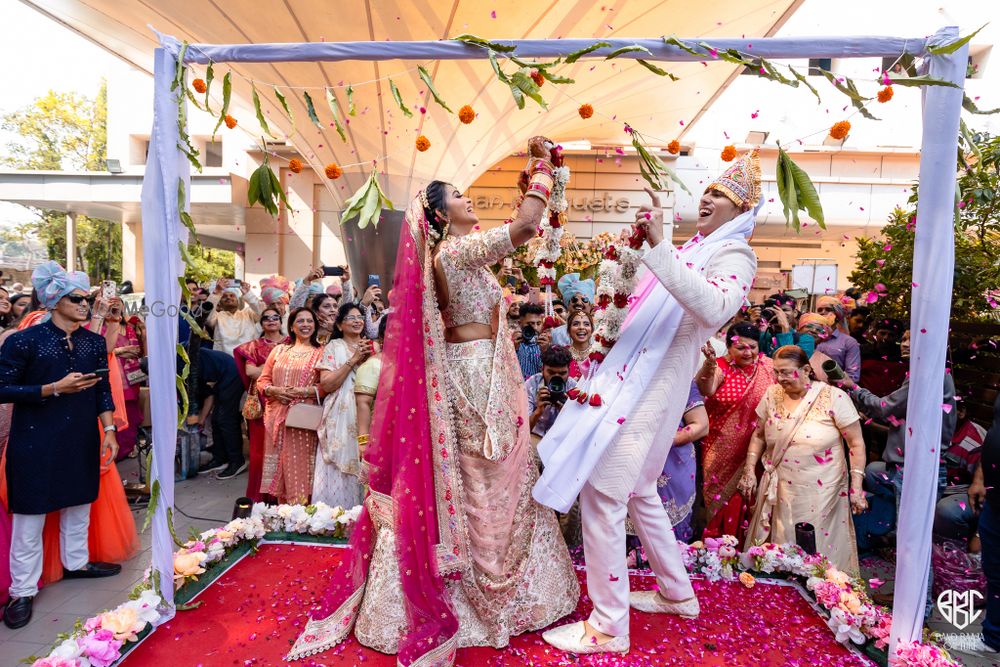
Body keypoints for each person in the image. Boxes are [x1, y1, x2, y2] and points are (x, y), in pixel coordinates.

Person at [289, 137, 578, 663]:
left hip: (485, 370)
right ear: (442, 215)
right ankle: (482, 596)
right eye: (460, 196)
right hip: (476, 378)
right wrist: (539, 171)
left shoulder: (459, 256)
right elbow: (525, 229)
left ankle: (492, 591)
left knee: (487, 478)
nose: (470, 200)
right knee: (485, 476)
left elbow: (532, 241)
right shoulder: (459, 250)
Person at [536, 150, 760, 654]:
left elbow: (713, 306)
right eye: (705, 190)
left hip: (652, 391)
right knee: (639, 491)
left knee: (604, 494)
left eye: (718, 195)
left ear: (742, 211)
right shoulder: (699, 248)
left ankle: (609, 626)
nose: (705, 198)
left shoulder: (736, 256)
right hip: (642, 383)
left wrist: (660, 247)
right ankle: (678, 593)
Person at [0, 262, 121, 629]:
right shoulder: (24, 341)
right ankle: (22, 590)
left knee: (79, 503)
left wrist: (110, 430)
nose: (86, 305)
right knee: (30, 516)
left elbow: (102, 389)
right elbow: (3, 388)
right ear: (55, 301)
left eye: (87, 299)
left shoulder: (93, 341)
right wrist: (53, 389)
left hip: (82, 436)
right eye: (77, 299)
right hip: (34, 438)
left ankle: (77, 562)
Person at [741, 346, 867, 575]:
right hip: (779, 487)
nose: (780, 378)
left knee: (815, 549)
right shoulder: (772, 394)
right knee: (778, 546)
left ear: (806, 369)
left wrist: (857, 487)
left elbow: (856, 444)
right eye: (777, 372)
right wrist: (749, 469)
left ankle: (823, 592)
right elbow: (758, 435)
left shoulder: (833, 397)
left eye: (786, 372)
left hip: (821, 491)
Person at [695, 321, 775, 540]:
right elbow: (706, 389)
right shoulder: (720, 366)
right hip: (721, 448)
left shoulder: (768, 367)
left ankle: (750, 547)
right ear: (729, 348)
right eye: (741, 348)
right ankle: (717, 548)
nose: (748, 352)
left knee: (751, 497)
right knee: (720, 499)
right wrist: (709, 364)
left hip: (758, 446)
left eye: (753, 347)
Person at [945, 394, 1000, 660]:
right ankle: (993, 638)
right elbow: (996, 432)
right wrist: (980, 478)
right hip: (995, 497)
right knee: (994, 569)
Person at [627, 382, 708, 556]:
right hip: (629, 461)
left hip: (672, 463)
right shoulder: (628, 375)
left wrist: (662, 439)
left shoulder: (682, 378)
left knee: (671, 545)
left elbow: (701, 425)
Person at [257, 307, 325, 505]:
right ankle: (284, 513)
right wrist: (274, 391)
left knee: (300, 465)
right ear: (292, 326)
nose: (305, 325)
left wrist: (301, 392)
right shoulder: (279, 350)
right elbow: (263, 380)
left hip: (303, 420)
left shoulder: (321, 352)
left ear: (315, 325)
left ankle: (301, 515)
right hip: (276, 417)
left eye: (310, 321)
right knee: (280, 464)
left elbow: (326, 387)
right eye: (301, 321)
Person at [313, 302, 373, 509]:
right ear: (339, 325)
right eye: (351, 318)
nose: (357, 321)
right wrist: (353, 360)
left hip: (369, 412)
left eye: (359, 318)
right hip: (341, 413)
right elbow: (327, 384)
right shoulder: (334, 347)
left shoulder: (374, 346)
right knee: (340, 463)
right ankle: (339, 517)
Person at [233, 306, 289, 503]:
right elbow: (251, 373)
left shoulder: (293, 342)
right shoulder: (253, 346)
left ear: (282, 321)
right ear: (261, 323)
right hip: (264, 404)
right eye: (267, 318)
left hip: (290, 401)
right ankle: (262, 498)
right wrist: (280, 365)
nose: (272, 320)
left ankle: (286, 496)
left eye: (276, 317)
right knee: (261, 451)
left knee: (287, 449)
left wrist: (264, 368)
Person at [195, 347, 247, 479]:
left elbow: (208, 396)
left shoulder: (179, 361)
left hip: (232, 373)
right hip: (221, 375)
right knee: (216, 419)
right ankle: (220, 458)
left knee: (226, 418)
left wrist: (200, 419)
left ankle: (237, 461)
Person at [526, 345, 575, 442]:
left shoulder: (573, 388)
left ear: (569, 371)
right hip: (534, 437)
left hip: (560, 440)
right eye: (551, 372)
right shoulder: (532, 384)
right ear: (542, 369)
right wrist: (538, 411)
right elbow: (523, 430)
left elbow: (577, 432)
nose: (556, 378)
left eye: (562, 373)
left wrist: (566, 411)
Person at [354, 317, 387, 461]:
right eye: (394, 332)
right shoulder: (373, 365)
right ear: (381, 337)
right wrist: (363, 442)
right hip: (382, 433)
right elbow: (363, 404)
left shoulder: (411, 362)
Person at [206, 279, 264, 356]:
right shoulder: (217, 317)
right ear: (219, 302)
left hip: (248, 360)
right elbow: (206, 314)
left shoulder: (248, 313)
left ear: (238, 300)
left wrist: (248, 294)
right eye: (224, 296)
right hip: (224, 361)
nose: (228, 298)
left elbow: (262, 312)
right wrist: (217, 291)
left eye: (232, 295)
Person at [814, 295, 861, 382]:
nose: (822, 312)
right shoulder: (808, 338)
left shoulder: (849, 342)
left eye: (828, 309)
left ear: (837, 314)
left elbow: (853, 377)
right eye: (819, 310)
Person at [550, 273, 595, 347]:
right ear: (567, 305)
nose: (579, 302)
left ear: (591, 306)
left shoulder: (599, 333)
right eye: (574, 299)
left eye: (585, 299)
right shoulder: (556, 333)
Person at [514, 302, 545, 379]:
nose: (535, 328)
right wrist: (513, 349)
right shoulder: (512, 343)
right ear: (519, 323)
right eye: (530, 324)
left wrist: (545, 351)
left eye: (538, 323)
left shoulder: (547, 344)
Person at [565, 310, 594, 380]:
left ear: (592, 330)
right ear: (568, 330)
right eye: (576, 324)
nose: (581, 327)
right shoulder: (561, 354)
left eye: (586, 324)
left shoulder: (599, 353)